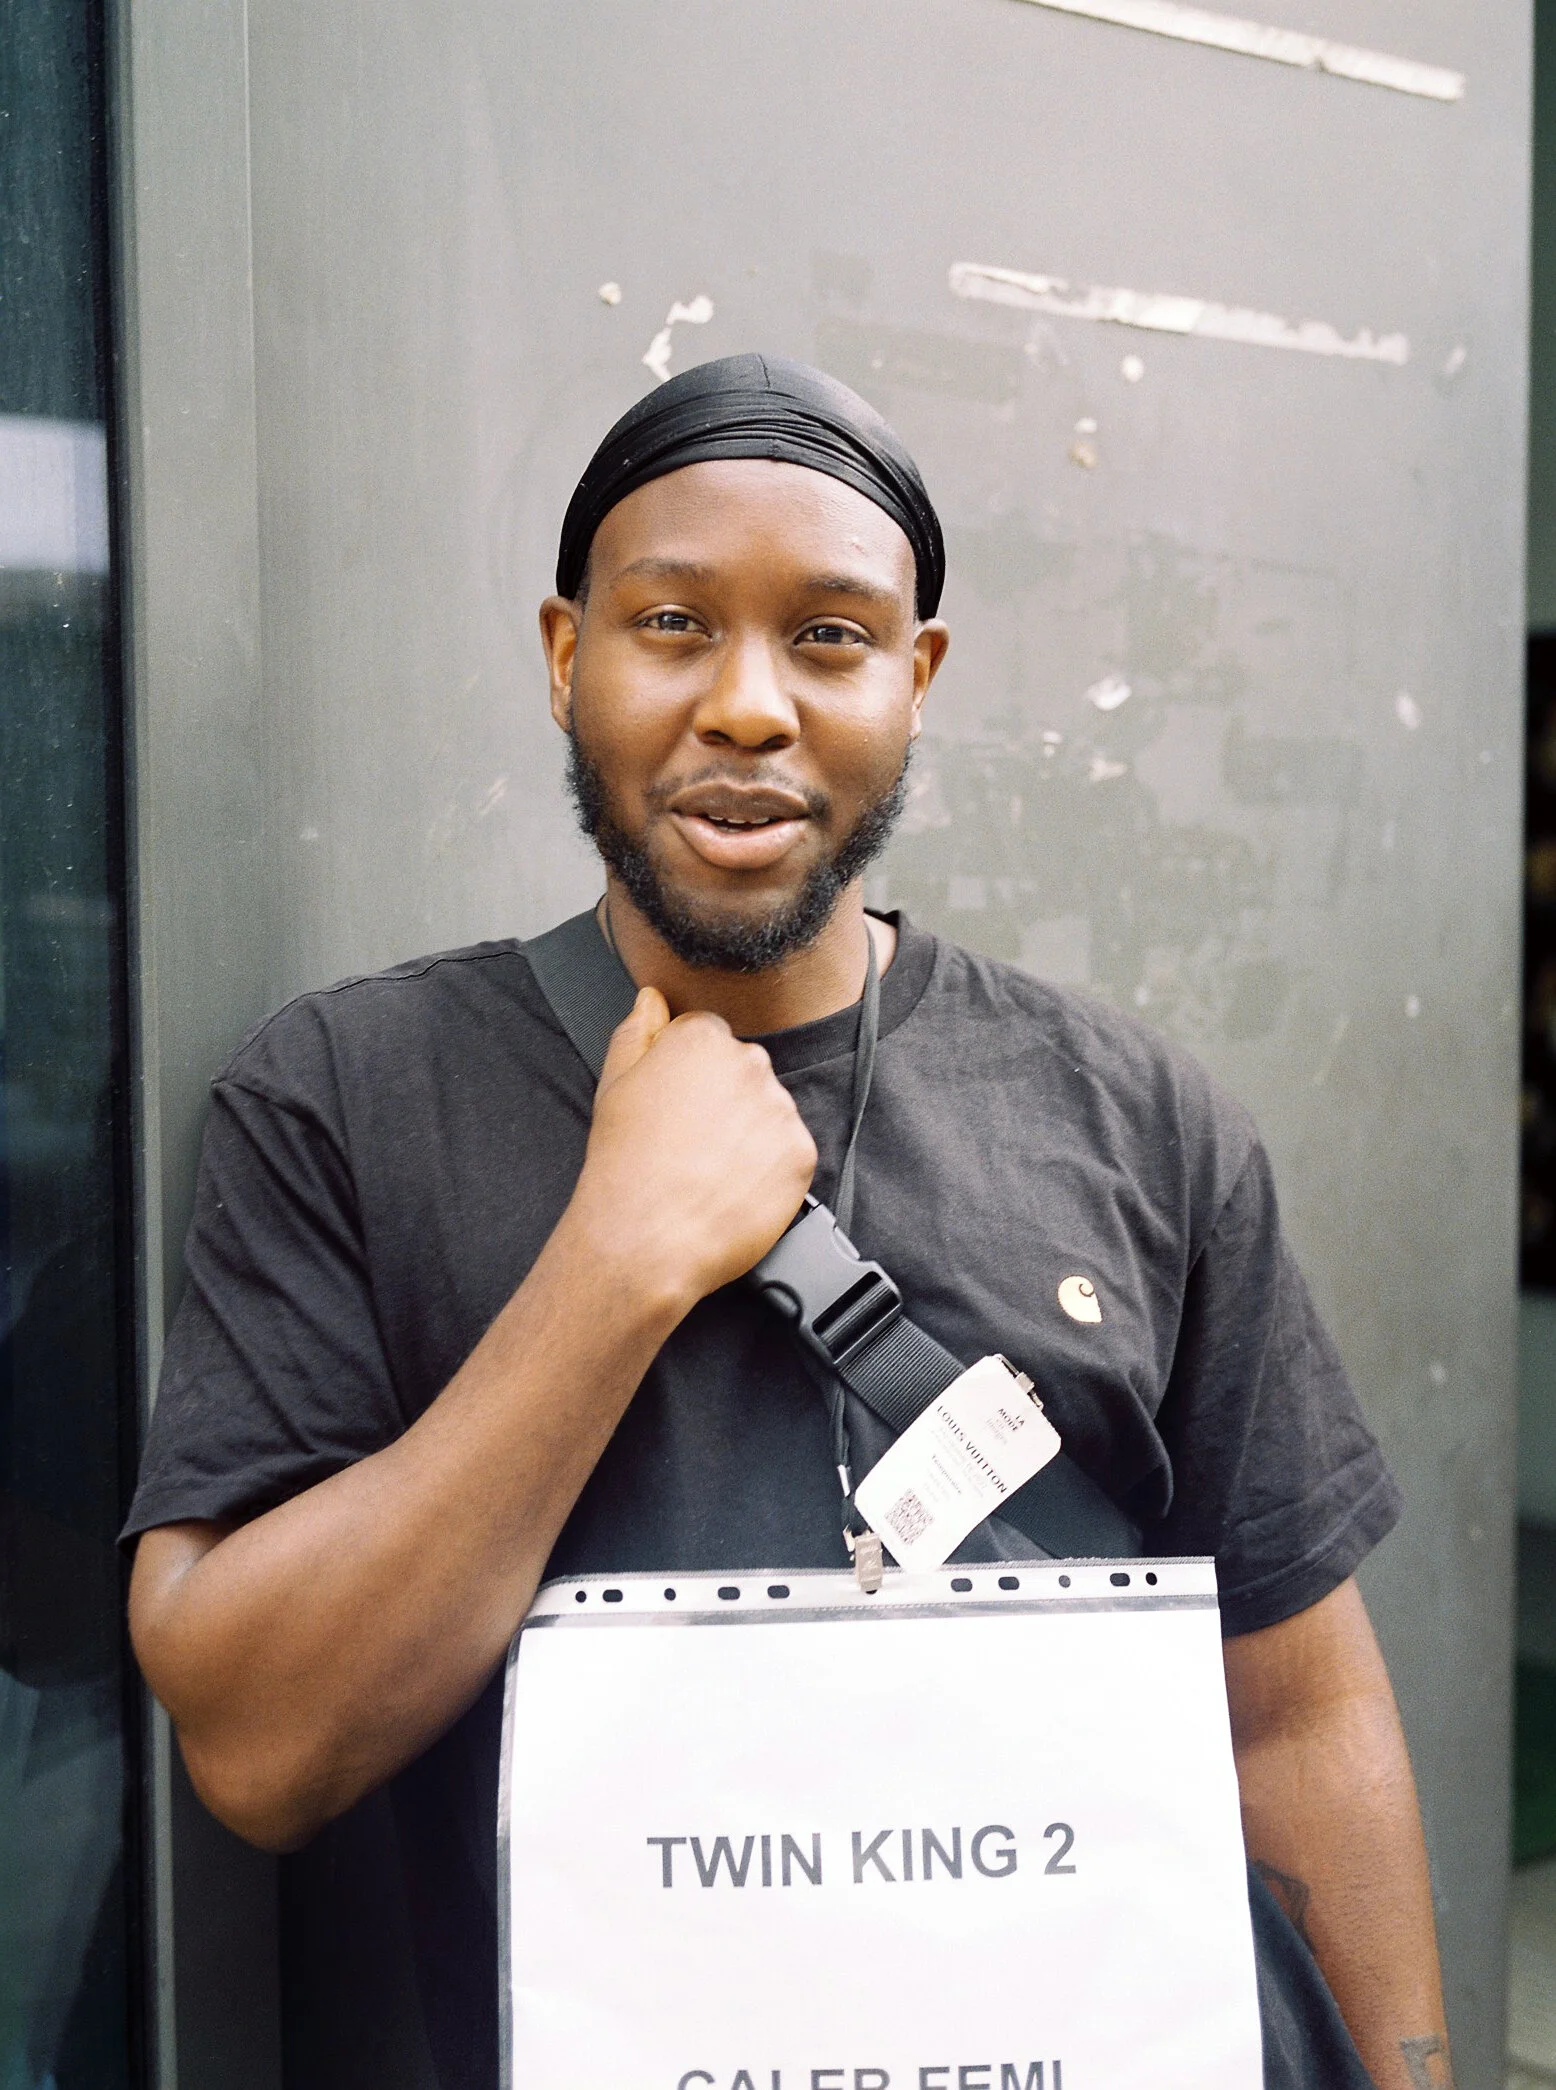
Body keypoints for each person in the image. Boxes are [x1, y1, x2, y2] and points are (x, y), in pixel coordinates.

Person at [126, 354, 1451, 2090]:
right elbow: (256, 1737)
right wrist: (614, 1263)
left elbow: (1300, 1713)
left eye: (829, 638)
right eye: (673, 621)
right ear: (564, 655)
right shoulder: (348, 1099)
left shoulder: (1133, 1116)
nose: (750, 704)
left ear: (918, 678)